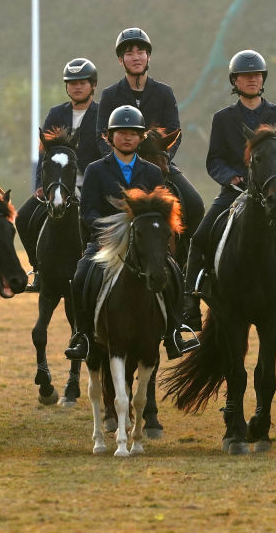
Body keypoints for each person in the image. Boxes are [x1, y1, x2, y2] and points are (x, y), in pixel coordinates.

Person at [180, 50, 276, 338]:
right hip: (234, 192)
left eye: (256, 75)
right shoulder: (223, 118)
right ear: (235, 81)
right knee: (199, 238)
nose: (251, 80)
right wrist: (232, 178)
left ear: (262, 79)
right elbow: (214, 160)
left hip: (272, 194)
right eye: (245, 76)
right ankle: (189, 307)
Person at [64, 105, 200, 361]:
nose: (127, 137)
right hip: (105, 242)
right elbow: (88, 211)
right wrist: (111, 228)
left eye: (132, 133)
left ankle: (174, 331)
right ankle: (82, 334)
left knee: (173, 272)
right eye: (121, 132)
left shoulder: (152, 172)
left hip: (144, 243)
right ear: (109, 136)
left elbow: (162, 209)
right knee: (81, 274)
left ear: (141, 138)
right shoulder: (95, 170)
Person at [97, 27, 204, 264]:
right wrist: (117, 162)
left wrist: (162, 158)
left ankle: (189, 266)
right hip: (121, 167)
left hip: (159, 164)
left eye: (141, 51)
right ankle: (91, 260)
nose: (136, 56)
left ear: (148, 57)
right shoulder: (109, 95)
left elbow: (176, 131)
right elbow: (100, 136)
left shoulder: (164, 92)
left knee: (195, 204)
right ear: (120, 59)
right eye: (129, 52)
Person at [16, 57, 103, 292]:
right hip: (56, 185)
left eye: (82, 82)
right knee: (22, 218)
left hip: (90, 186)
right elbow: (43, 153)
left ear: (93, 85)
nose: (77, 86)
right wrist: (38, 183)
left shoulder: (102, 114)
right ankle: (39, 270)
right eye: (72, 82)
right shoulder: (56, 113)